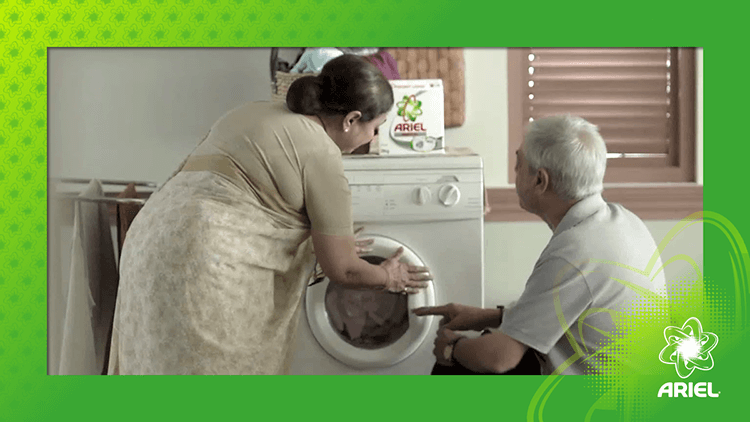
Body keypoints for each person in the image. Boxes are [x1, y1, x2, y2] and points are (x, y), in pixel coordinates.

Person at [107, 54, 432, 375]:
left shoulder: (254, 110)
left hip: (147, 241)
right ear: (351, 119)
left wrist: (321, 247)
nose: (373, 138)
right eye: (375, 128)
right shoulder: (322, 156)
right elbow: (345, 270)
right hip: (203, 262)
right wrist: (389, 277)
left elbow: (250, 201)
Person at [414, 115, 666, 375]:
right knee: (486, 342)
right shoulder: (621, 220)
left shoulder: (575, 251)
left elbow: (499, 359)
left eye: (518, 163)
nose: (514, 172)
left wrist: (450, 349)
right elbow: (564, 308)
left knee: (457, 367)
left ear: (540, 181)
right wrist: (489, 316)